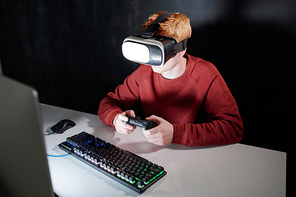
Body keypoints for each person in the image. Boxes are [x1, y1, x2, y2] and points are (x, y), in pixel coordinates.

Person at [98, 11, 243, 146]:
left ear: (181, 50)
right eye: (150, 49)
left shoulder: (205, 73)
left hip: (190, 153)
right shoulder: (145, 70)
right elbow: (110, 102)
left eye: (160, 51)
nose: (152, 61)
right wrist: (116, 118)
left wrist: (175, 133)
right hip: (151, 148)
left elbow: (233, 128)